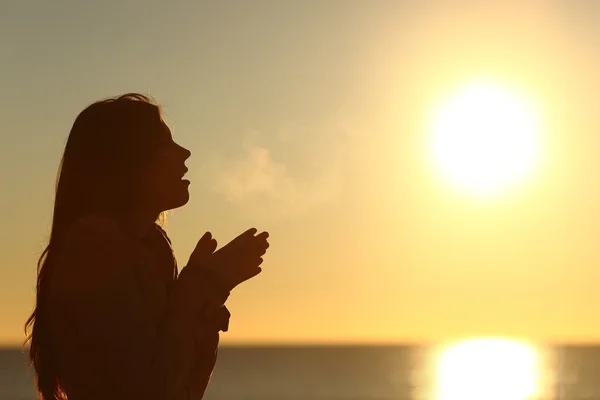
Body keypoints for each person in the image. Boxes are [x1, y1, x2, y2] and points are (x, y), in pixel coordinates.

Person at [23, 93, 270, 400]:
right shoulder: (94, 246)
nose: (185, 153)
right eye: (165, 143)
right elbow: (143, 390)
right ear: (126, 160)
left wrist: (204, 305)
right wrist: (203, 285)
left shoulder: (150, 251)